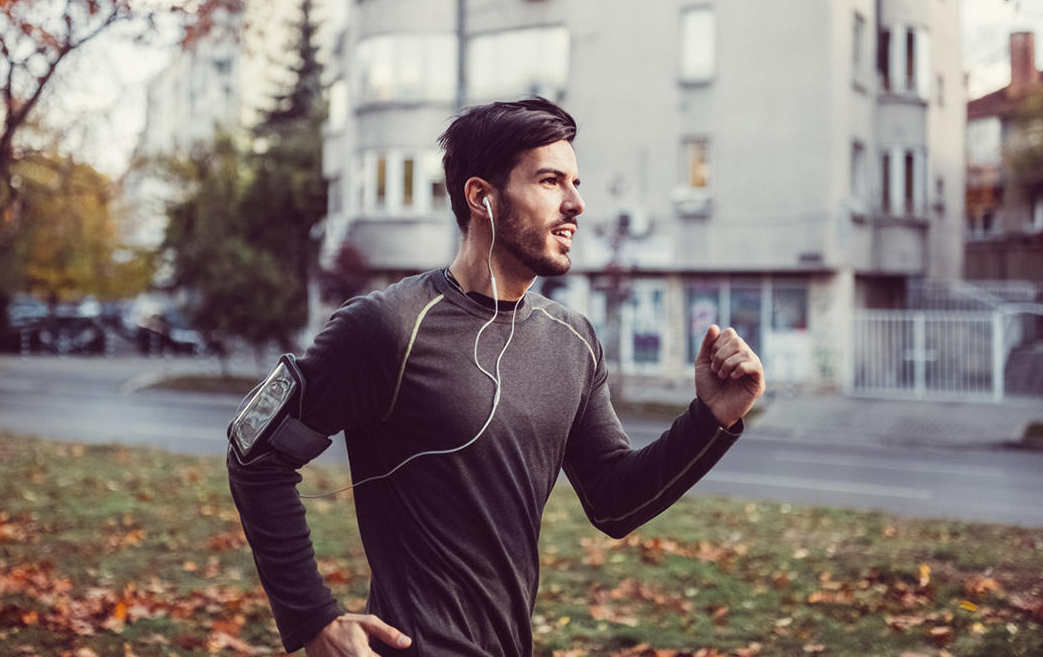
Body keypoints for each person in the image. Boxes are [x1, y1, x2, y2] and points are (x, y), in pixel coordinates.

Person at [227, 97, 765, 657]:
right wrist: (313, 619)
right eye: (551, 181)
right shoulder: (389, 326)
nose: (576, 203)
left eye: (575, 182)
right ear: (482, 197)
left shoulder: (573, 341)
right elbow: (253, 451)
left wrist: (712, 417)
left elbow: (614, 502)